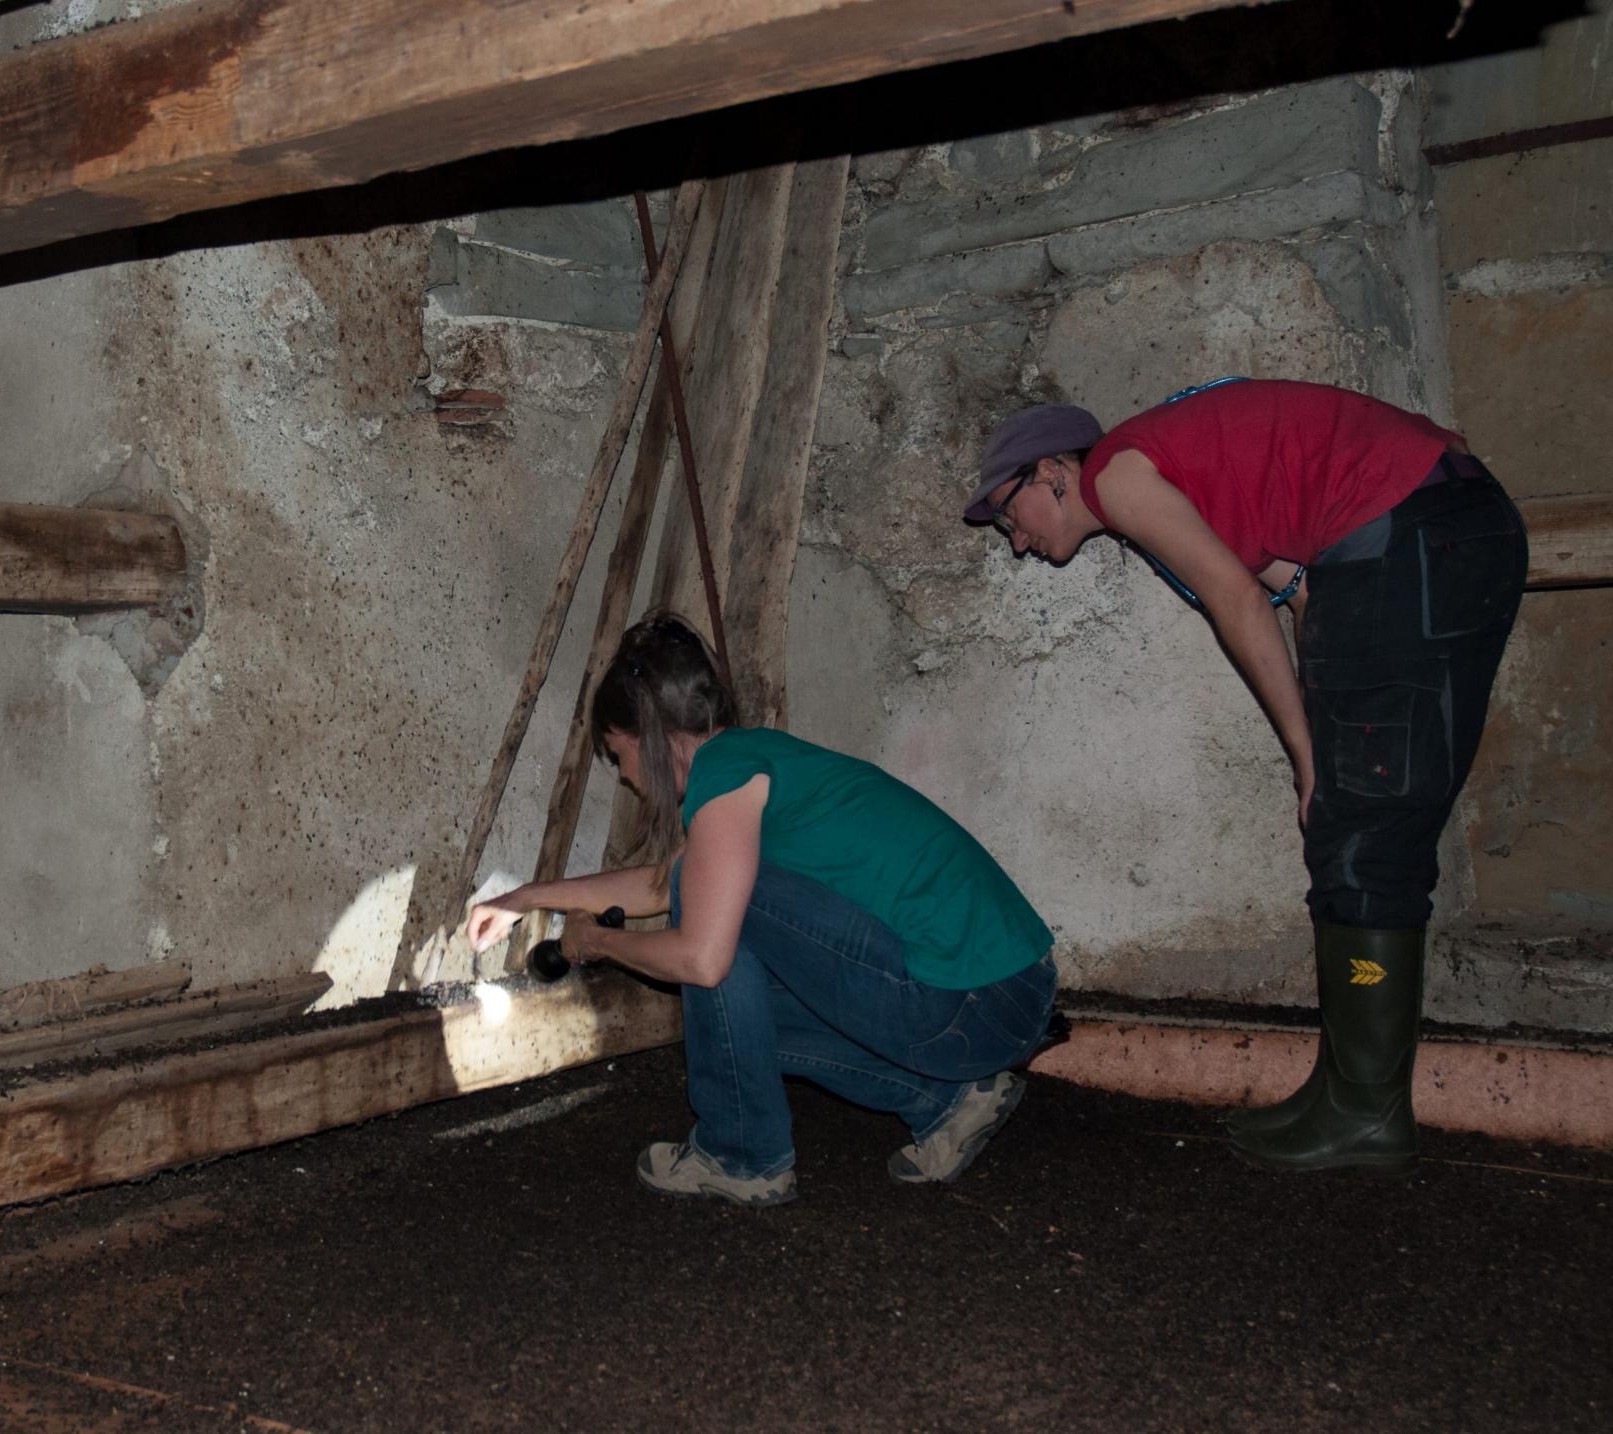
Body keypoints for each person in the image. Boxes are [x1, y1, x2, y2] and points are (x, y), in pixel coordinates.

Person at [963, 378, 1527, 1174]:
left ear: (1053, 471)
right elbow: (1297, 593)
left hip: (1408, 533)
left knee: (1367, 835)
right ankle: (1345, 1090)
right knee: (1355, 824)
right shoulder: (1169, 478)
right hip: (1432, 530)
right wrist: (1323, 754)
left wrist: (1307, 759)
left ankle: (1367, 1113)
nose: (1014, 541)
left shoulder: (1119, 475)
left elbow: (1236, 599)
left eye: (1006, 512)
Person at [464, 614, 1058, 1206]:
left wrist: (597, 943)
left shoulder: (724, 773)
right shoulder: (751, 760)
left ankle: (740, 1155)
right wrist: (525, 898)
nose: (626, 778)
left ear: (650, 737)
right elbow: (661, 886)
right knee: (733, 1026)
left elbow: (701, 957)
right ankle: (948, 1101)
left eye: (619, 756)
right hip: (999, 998)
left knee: (710, 937)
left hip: (971, 1004)